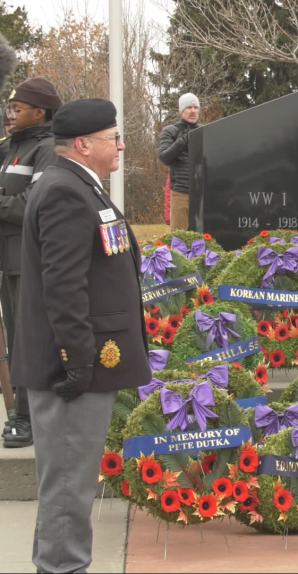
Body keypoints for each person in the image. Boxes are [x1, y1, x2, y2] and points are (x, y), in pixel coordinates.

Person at [12, 98, 149, 573]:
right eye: (115, 138)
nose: (122, 146)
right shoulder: (65, 191)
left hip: (81, 362)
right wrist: (78, 358)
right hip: (71, 369)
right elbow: (63, 285)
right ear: (85, 145)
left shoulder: (76, 186)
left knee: (69, 490)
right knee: (69, 490)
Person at [0, 78, 63, 448]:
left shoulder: (47, 148)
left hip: (27, 259)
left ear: (40, 113)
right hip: (7, 259)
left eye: (17, 109)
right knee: (13, 338)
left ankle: (26, 418)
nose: (9, 115)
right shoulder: (10, 148)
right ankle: (19, 413)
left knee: (26, 340)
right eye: (9, 108)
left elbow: (32, 205)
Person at [159, 93, 201, 230]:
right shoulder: (170, 131)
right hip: (181, 193)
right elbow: (165, 157)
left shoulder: (205, 130)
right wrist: (182, 141)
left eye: (196, 107)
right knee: (180, 239)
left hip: (203, 193)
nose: (193, 111)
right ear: (182, 110)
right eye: (189, 107)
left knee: (205, 239)